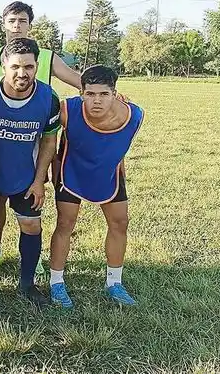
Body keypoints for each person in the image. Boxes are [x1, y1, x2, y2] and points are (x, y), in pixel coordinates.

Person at [0, 1, 82, 276]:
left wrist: (100, 89)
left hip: (31, 141)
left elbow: (72, 78)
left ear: (30, 25)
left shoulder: (46, 56)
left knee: (28, 212)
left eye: (22, 21)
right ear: (4, 24)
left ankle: (30, 267)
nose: (17, 26)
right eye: (12, 21)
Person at [0, 38, 60, 316]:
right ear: (3, 66)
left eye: (29, 66)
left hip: (25, 176)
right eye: (16, 66)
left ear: (37, 66)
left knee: (31, 226)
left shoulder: (48, 98)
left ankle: (27, 284)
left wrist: (39, 180)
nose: (23, 73)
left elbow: (48, 142)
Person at [48, 65, 144, 308]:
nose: (97, 101)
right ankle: (56, 283)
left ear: (115, 93)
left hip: (108, 174)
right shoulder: (67, 110)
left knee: (120, 222)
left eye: (104, 94)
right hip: (72, 171)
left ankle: (114, 282)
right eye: (90, 94)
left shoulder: (135, 116)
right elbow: (47, 138)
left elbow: (119, 147)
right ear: (81, 93)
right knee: (65, 223)